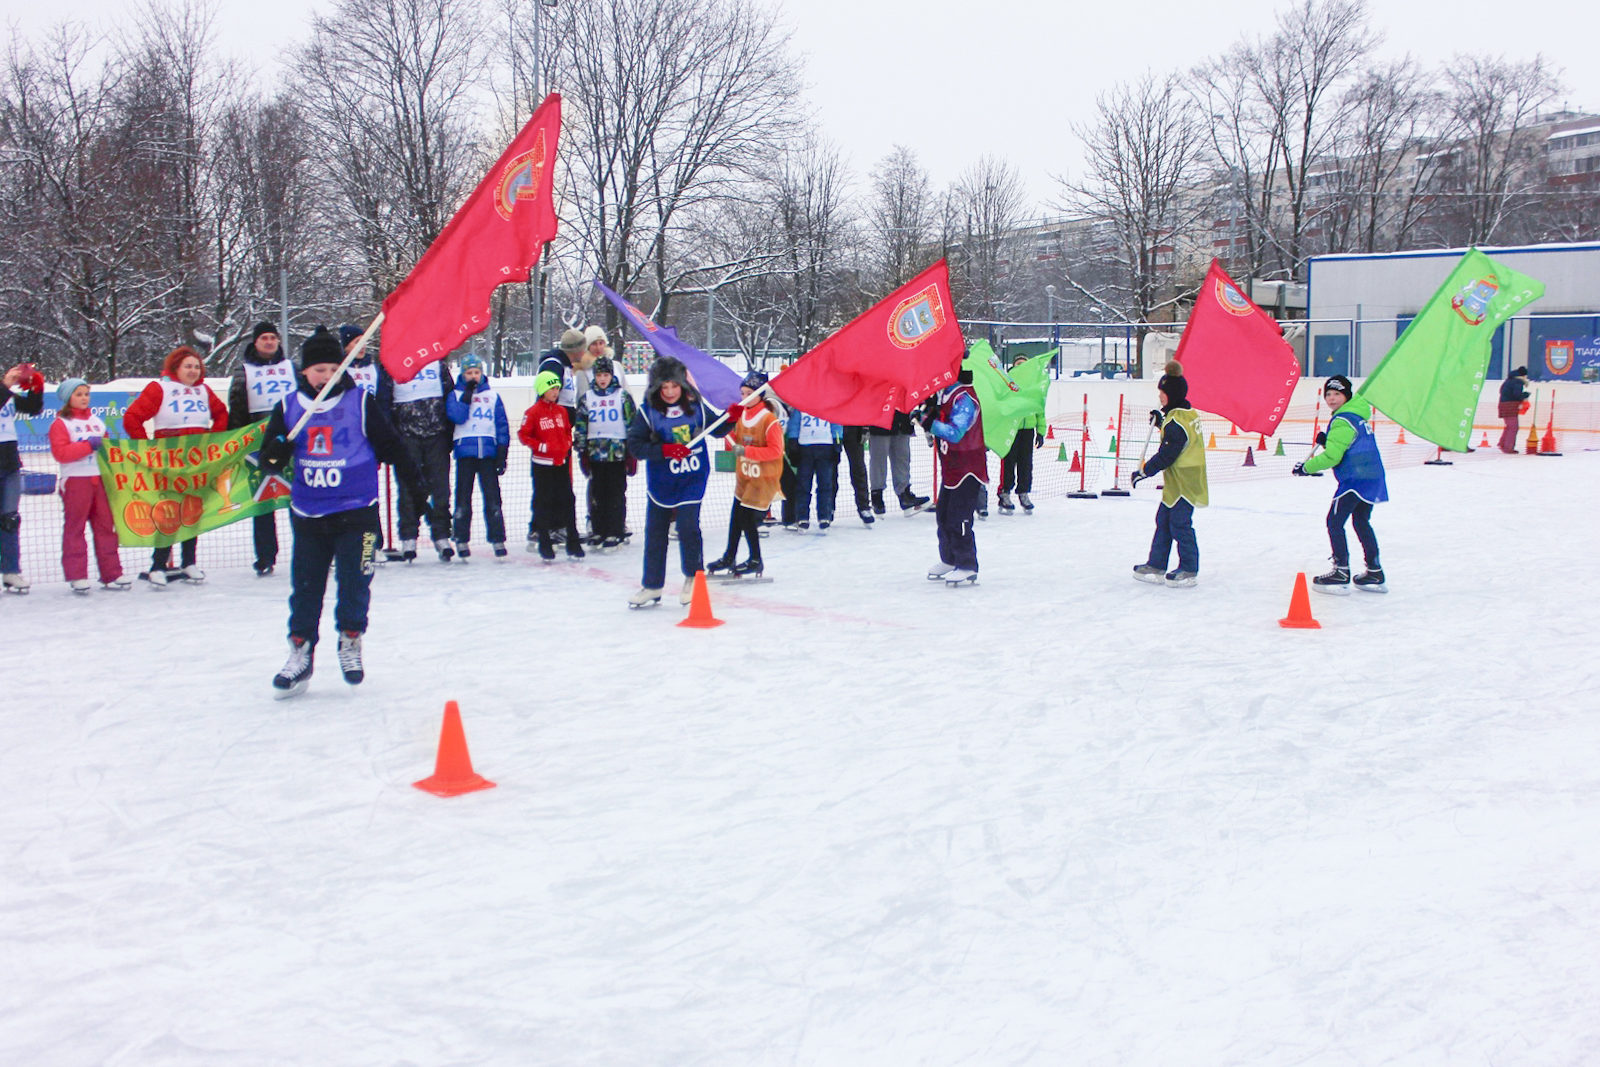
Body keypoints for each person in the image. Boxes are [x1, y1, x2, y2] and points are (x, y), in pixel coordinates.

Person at [258, 327, 424, 697]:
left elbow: (392, 447)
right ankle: (300, 651)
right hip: (310, 513)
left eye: (334, 368)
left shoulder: (360, 402)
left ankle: (350, 640)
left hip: (357, 512)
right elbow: (268, 460)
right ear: (303, 371)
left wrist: (416, 487)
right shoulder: (288, 407)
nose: (326, 376)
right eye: (318, 369)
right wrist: (276, 453)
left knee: (354, 583)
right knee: (305, 587)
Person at [624, 356, 728, 607]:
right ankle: (652, 585)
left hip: (692, 477)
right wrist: (665, 450)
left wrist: (731, 417)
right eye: (664, 386)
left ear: (683, 384)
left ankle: (693, 577)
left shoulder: (696, 407)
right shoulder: (648, 412)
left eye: (674, 385)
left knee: (688, 527)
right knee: (655, 532)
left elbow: (718, 430)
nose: (670, 392)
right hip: (661, 482)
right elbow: (636, 446)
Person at [123, 345, 228, 586]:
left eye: (196, 367)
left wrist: (214, 439)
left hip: (197, 459)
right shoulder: (160, 388)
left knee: (193, 509)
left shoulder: (204, 390)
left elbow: (221, 413)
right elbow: (132, 418)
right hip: (169, 459)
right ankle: (158, 564)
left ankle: (189, 561)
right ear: (175, 368)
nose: (193, 371)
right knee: (168, 511)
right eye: (187, 366)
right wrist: (147, 448)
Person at [1294, 374, 1388, 593]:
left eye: (1337, 394)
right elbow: (1347, 446)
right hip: (1371, 476)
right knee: (1361, 521)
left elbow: (1333, 458)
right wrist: (1327, 441)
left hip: (1355, 480)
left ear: (1347, 395)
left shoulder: (1343, 419)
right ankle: (1375, 571)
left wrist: (1305, 467)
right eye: (1328, 394)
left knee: (1334, 522)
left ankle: (1341, 570)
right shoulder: (1357, 416)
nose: (1332, 399)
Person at [1130, 360, 1207, 588]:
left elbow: (1167, 454)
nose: (1160, 396)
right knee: (1163, 520)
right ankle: (1157, 563)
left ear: (1172, 394)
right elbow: (1175, 435)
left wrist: (1144, 471)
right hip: (1178, 481)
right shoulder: (1186, 413)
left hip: (1186, 481)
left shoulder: (1176, 422)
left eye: (1163, 393)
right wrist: (1161, 422)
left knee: (1180, 523)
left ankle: (1189, 568)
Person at [377, 337, 455, 561]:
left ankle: (442, 535)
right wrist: (390, 437)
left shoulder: (436, 362)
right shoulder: (392, 363)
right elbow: (384, 401)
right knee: (408, 489)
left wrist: (449, 432)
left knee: (440, 489)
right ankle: (408, 536)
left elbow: (449, 394)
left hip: (436, 435)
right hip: (406, 437)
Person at [49, 378, 129, 593]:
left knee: (106, 527)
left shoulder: (97, 421)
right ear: (68, 398)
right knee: (75, 528)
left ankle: (111, 573)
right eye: (79, 394)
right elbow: (61, 453)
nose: (84, 398)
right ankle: (77, 575)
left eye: (86, 394)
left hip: (99, 479)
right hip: (76, 479)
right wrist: (87, 446)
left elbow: (108, 449)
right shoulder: (61, 423)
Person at [228, 322, 296, 575]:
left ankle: (310, 550)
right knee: (263, 502)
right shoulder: (243, 370)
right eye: (264, 338)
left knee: (298, 499)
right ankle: (265, 556)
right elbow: (236, 407)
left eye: (273, 337)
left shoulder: (291, 368)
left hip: (291, 441)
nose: (269, 342)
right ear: (255, 342)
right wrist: (236, 441)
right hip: (258, 444)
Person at [707, 372, 783, 578]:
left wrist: (747, 451)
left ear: (760, 395)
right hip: (745, 477)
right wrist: (726, 425)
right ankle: (730, 555)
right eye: (742, 393)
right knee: (736, 517)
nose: (745, 398)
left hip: (762, 478)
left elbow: (776, 451)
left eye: (749, 393)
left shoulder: (768, 420)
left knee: (747, 519)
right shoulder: (742, 416)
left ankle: (756, 559)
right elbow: (734, 437)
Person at [923, 367, 986, 586]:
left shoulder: (964, 398)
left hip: (968, 468)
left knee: (959, 517)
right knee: (943, 515)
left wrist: (928, 423)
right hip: (952, 468)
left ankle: (967, 564)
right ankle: (949, 559)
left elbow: (955, 432)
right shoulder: (943, 396)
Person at [527, 328, 589, 548]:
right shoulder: (554, 364)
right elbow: (547, 396)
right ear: (576, 350)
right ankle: (543, 527)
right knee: (550, 483)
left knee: (561, 482)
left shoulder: (565, 366)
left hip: (560, 432)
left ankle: (557, 524)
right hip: (550, 434)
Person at [445, 353, 510, 559]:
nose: (473, 376)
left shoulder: (492, 396)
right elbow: (456, 416)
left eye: (476, 372)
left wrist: (502, 451)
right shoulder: (455, 394)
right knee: (463, 497)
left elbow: (501, 425)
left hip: (488, 452)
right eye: (469, 373)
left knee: (492, 498)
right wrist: (467, 395)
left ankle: (497, 538)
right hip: (466, 451)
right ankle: (462, 539)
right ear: (463, 374)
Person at [518, 370, 584, 562]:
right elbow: (524, 434)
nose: (555, 392)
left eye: (557, 388)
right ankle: (544, 541)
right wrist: (541, 446)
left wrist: (566, 445)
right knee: (543, 501)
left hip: (560, 463)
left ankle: (573, 540)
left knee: (568, 500)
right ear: (542, 390)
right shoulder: (533, 413)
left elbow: (565, 432)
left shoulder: (561, 411)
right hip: (542, 465)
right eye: (551, 388)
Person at [573, 354, 637, 548]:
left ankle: (615, 530)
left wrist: (631, 453)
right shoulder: (587, 398)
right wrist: (582, 451)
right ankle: (599, 530)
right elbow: (581, 425)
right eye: (599, 375)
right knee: (598, 493)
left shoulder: (622, 396)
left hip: (617, 453)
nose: (602, 379)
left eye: (606, 375)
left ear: (611, 376)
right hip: (595, 454)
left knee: (616, 492)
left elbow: (631, 424)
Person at [1, 361, 45, 594]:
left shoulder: (6, 394)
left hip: (9, 463)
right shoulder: (3, 391)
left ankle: (10, 571)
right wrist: (5, 386)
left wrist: (36, 387)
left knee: (10, 519)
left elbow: (32, 408)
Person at [997, 355, 1046, 515]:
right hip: (1011, 429)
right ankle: (1005, 492)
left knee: (1026, 463)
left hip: (1028, 430)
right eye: (1018, 364)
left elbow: (1039, 409)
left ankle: (1023, 492)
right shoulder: (1006, 384)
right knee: (1009, 461)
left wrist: (1040, 431)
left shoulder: (1033, 386)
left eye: (1024, 365)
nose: (1021, 368)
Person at [786, 405, 841, 530]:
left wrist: (837, 442)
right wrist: (793, 441)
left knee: (825, 484)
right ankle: (802, 517)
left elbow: (836, 423)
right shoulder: (801, 405)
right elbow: (794, 424)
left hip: (825, 446)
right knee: (803, 484)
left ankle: (824, 516)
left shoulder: (829, 405)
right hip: (805, 448)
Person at [869, 410, 929, 514]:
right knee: (878, 460)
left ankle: (904, 494)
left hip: (902, 421)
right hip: (880, 421)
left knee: (903, 458)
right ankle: (877, 496)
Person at [839, 425, 874, 525]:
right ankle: (828, 509)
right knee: (830, 469)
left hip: (854, 429)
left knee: (858, 467)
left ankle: (864, 507)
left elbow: (864, 408)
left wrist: (866, 427)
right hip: (833, 427)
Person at [339, 324, 381, 396]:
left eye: (364, 341)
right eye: (357, 342)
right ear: (346, 346)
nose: (362, 346)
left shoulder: (373, 367)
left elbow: (382, 395)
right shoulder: (339, 369)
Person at [1497, 365, 1531, 454]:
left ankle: (1502, 443)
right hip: (1510, 406)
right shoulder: (1518, 382)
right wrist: (1525, 395)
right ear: (1523, 375)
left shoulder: (1510, 379)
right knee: (1513, 427)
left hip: (1503, 404)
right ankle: (1508, 447)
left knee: (1509, 426)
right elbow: (1517, 395)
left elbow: (1501, 391)